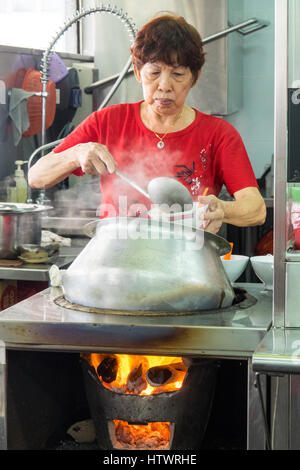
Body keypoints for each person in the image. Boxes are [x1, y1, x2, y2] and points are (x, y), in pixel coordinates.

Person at [28, 13, 266, 234]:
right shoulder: (107, 122)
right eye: (154, 73)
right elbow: (36, 177)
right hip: (116, 263)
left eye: (178, 74)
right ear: (138, 71)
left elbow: (256, 209)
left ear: (195, 77)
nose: (164, 86)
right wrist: (76, 154)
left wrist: (223, 209)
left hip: (188, 265)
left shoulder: (218, 134)